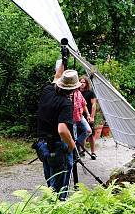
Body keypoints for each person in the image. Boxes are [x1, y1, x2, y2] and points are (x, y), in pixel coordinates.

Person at [33, 65, 77, 200]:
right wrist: (71, 145)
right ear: (74, 89)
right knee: (58, 191)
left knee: (51, 186)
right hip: (57, 147)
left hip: (43, 145)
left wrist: (64, 58)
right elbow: (62, 129)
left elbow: (57, 77)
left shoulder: (48, 91)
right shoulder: (65, 104)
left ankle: (51, 210)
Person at [80, 75, 98, 160]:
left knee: (90, 134)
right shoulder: (77, 92)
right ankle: (82, 151)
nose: (82, 84)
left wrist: (92, 116)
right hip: (79, 116)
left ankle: (93, 152)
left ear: (87, 83)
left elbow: (94, 105)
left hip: (88, 115)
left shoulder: (90, 92)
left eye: (84, 82)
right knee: (81, 133)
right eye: (81, 82)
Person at [71, 87, 92, 157]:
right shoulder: (68, 93)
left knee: (88, 131)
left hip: (80, 117)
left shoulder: (78, 92)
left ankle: (75, 145)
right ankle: (75, 153)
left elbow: (84, 104)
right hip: (72, 119)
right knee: (74, 136)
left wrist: (88, 114)